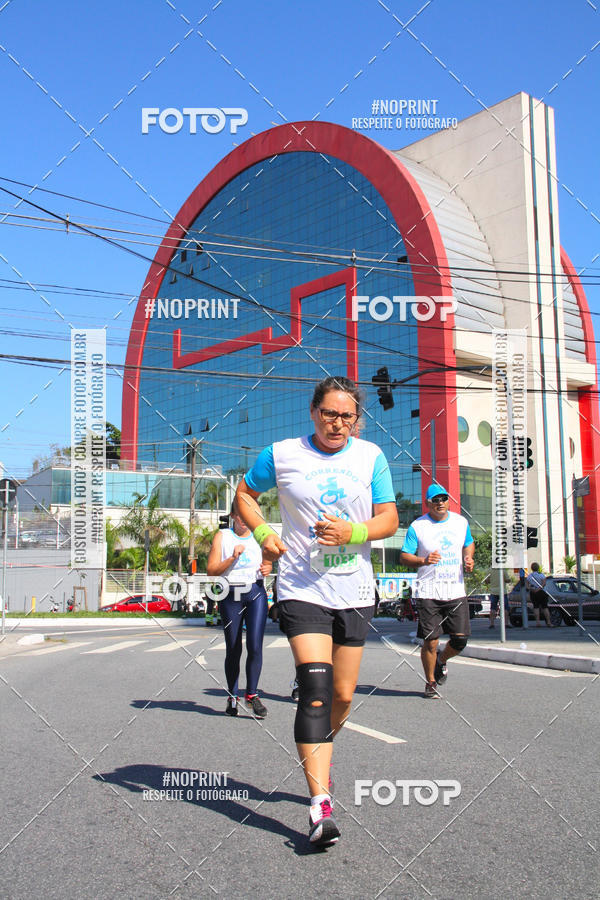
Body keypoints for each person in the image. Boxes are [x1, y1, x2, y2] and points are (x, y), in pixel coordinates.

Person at [236, 375, 398, 848]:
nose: (338, 423)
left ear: (356, 419)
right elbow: (245, 494)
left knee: (343, 696)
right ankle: (320, 803)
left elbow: (388, 518)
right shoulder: (283, 454)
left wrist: (353, 533)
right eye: (330, 413)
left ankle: (321, 747)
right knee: (316, 689)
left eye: (347, 415)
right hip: (302, 588)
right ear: (313, 411)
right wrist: (265, 534)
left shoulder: (371, 457)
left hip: (354, 589)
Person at [400, 483, 475, 699]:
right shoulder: (418, 526)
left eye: (443, 498)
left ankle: (441, 660)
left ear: (448, 501)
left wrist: (467, 557)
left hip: (455, 589)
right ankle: (430, 682)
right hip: (428, 591)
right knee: (430, 640)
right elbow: (404, 556)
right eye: (435, 499)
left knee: (460, 640)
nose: (440, 502)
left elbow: (468, 544)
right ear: (428, 504)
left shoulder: (461, 522)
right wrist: (423, 560)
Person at [206, 501, 271, 718]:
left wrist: (269, 565)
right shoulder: (222, 536)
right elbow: (212, 571)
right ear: (233, 515)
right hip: (230, 593)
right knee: (233, 647)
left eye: (249, 514)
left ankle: (252, 695)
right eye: (240, 514)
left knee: (255, 644)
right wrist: (232, 558)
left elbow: (273, 557)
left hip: (255, 592)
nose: (244, 519)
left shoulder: (261, 535)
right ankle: (232, 695)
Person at [527, 562, 552, 627]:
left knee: (536, 607)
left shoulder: (530, 576)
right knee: (545, 607)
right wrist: (538, 589)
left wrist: (532, 589)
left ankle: (537, 622)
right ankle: (548, 622)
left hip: (533, 593)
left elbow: (527, 585)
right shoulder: (541, 575)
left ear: (531, 568)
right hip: (541, 592)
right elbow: (544, 583)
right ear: (538, 568)